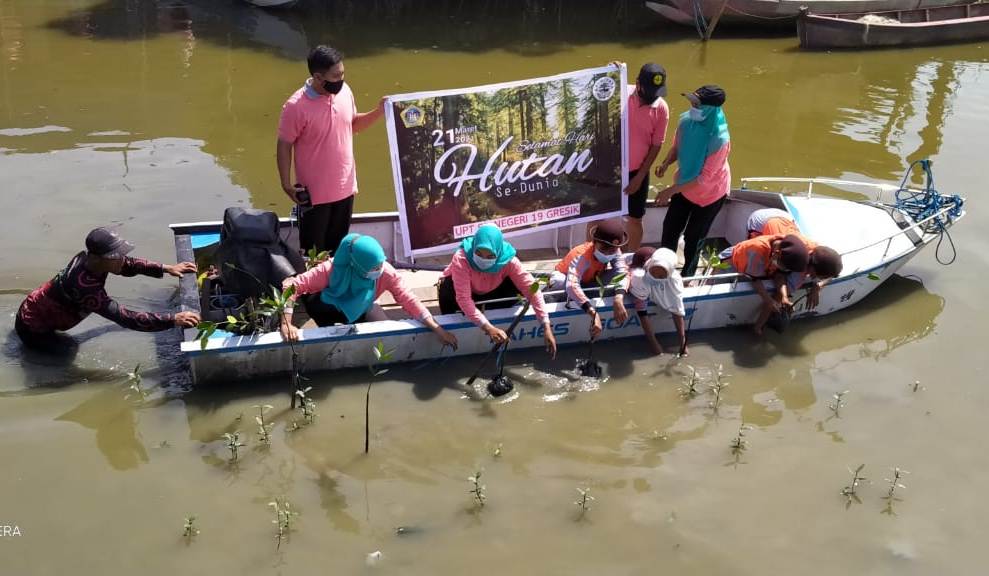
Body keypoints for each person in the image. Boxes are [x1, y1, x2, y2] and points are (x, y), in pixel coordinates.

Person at [276, 45, 386, 256]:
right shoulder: (295, 106)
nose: (341, 79)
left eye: (343, 73)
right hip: (314, 195)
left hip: (345, 187)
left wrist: (379, 111)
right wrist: (286, 184)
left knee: (339, 251)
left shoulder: (345, 92)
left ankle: (336, 288)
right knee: (314, 254)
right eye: (336, 76)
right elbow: (284, 144)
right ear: (318, 77)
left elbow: (352, 125)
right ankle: (314, 291)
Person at [15, 227, 200, 350]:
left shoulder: (93, 262)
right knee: (67, 351)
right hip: (33, 327)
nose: (122, 259)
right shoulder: (85, 287)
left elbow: (128, 265)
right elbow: (125, 318)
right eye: (115, 256)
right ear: (97, 258)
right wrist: (173, 319)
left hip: (37, 306)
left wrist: (167, 268)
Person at [279, 233, 457, 349]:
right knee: (322, 318)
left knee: (385, 340)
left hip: (363, 305)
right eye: (374, 267)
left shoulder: (385, 271)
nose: (379, 269)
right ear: (355, 264)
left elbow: (408, 299)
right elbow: (292, 286)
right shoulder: (331, 268)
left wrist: (437, 328)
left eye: (381, 263)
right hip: (327, 304)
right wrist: (287, 323)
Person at [437, 225, 557, 358]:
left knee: (527, 285)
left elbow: (533, 290)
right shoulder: (461, 258)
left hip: (492, 290)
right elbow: (463, 299)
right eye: (479, 253)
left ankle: (504, 306)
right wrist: (489, 329)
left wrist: (546, 326)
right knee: (447, 284)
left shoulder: (510, 261)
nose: (483, 259)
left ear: (498, 253)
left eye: (490, 256)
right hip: (458, 295)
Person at [654, 85, 731, 278]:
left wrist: (670, 191)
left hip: (710, 194)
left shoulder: (720, 139)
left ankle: (688, 275)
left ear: (710, 109)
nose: (692, 107)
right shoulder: (686, 121)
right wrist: (665, 164)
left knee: (694, 237)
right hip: (684, 184)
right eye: (692, 102)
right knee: (670, 228)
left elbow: (704, 179)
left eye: (697, 104)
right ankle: (665, 269)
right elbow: (676, 148)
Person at [548, 219, 630, 340]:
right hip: (566, 286)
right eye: (603, 249)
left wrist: (619, 298)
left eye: (611, 250)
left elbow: (623, 272)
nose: (607, 253)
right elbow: (571, 286)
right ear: (594, 242)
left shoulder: (615, 250)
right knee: (559, 281)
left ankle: (586, 299)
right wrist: (593, 313)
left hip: (589, 282)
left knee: (622, 275)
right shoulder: (582, 255)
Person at [746, 208, 843, 309]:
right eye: (818, 276)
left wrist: (818, 286)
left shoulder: (817, 252)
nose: (814, 278)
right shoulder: (792, 257)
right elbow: (776, 276)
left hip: (785, 217)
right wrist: (780, 297)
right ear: (812, 268)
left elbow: (832, 273)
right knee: (764, 262)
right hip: (759, 220)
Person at [722, 234, 809, 335]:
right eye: (784, 268)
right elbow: (755, 279)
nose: (785, 270)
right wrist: (769, 301)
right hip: (729, 265)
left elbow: (779, 276)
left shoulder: (783, 249)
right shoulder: (757, 250)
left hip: (756, 270)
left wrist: (784, 298)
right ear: (776, 254)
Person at [625, 62, 670, 251]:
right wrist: (610, 73)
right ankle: (593, 256)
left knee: (635, 218)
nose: (654, 96)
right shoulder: (620, 93)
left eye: (657, 91)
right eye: (649, 89)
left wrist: (639, 177)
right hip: (609, 168)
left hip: (638, 171)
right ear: (637, 84)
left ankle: (630, 259)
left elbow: (656, 145)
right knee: (597, 216)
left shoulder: (661, 108)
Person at [628, 247, 687, 356]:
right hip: (637, 263)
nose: (655, 277)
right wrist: (654, 344)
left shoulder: (674, 280)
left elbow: (677, 309)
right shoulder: (639, 277)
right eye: (653, 272)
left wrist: (683, 343)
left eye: (660, 276)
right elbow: (642, 313)